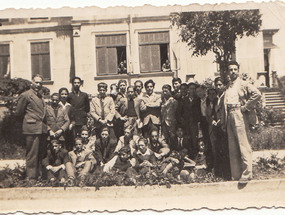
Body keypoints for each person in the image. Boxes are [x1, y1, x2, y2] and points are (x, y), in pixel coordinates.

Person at [223, 61, 261, 182]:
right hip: (229, 115)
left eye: (235, 69)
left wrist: (246, 107)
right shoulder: (228, 86)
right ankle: (236, 174)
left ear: (238, 71)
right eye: (230, 70)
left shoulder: (243, 84)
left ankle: (247, 173)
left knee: (243, 144)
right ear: (227, 72)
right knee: (232, 146)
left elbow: (257, 94)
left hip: (239, 114)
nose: (233, 72)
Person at [15, 74, 48, 181]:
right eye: (36, 82)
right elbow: (19, 113)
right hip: (31, 128)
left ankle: (38, 176)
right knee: (32, 154)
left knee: (40, 154)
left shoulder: (40, 96)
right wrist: (28, 123)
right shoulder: (26, 95)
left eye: (40, 83)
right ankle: (30, 177)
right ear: (31, 83)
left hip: (41, 128)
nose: (38, 85)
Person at [177, 82, 201, 148]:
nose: (192, 90)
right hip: (186, 124)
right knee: (187, 140)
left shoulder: (198, 99)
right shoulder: (184, 99)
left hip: (195, 124)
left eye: (194, 89)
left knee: (195, 140)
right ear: (188, 90)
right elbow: (180, 112)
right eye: (191, 88)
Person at [196, 84, 212, 170]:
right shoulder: (198, 101)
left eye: (200, 91)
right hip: (203, 122)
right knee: (205, 142)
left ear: (204, 91)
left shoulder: (209, 99)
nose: (199, 93)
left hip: (210, 121)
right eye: (197, 92)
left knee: (211, 142)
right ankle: (206, 163)